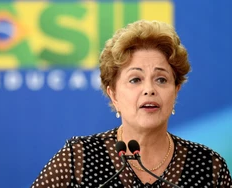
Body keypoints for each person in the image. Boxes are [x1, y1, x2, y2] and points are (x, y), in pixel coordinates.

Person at [31, 20, 232, 188]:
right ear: (114, 94)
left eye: (161, 79)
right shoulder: (79, 159)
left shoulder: (208, 167)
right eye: (135, 79)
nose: (149, 89)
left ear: (176, 90)